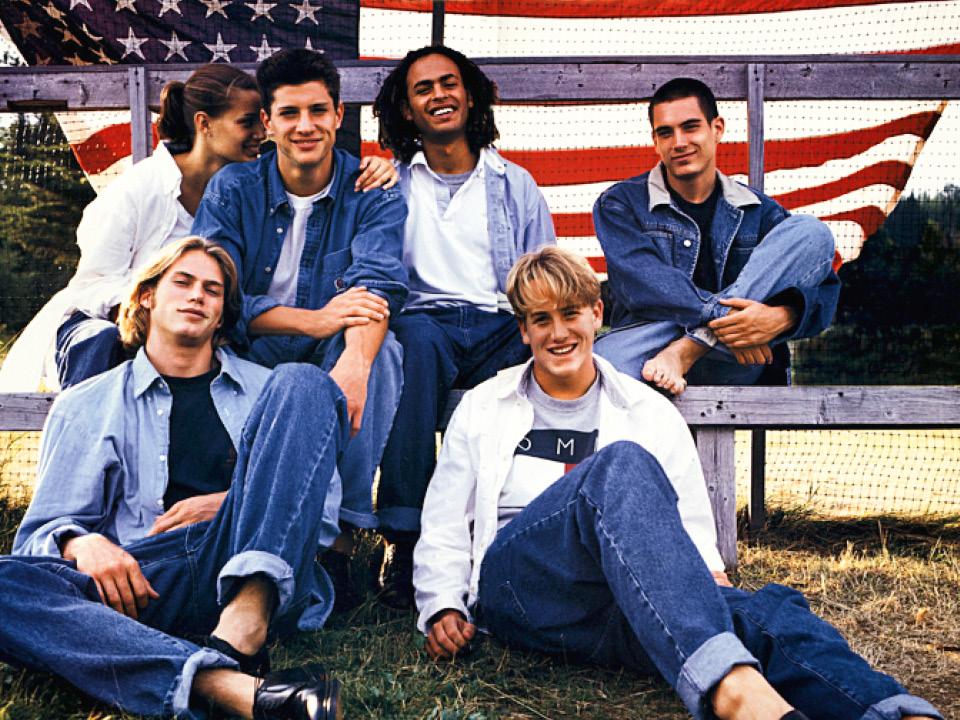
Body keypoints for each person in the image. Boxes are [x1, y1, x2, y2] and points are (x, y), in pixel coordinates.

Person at [413, 246, 941, 720]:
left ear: (597, 313)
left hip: (619, 598)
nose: (558, 333)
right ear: (524, 331)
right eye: (540, 319)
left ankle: (893, 710)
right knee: (619, 466)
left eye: (570, 313)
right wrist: (443, 604)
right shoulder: (485, 406)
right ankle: (733, 692)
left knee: (765, 612)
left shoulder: (647, 410)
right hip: (522, 589)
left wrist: (713, 589)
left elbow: (690, 528)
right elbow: (445, 520)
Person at [0, 237, 352, 719]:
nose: (197, 296)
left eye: (212, 290)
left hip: (256, 561)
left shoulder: (270, 390)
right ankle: (232, 686)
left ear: (223, 314)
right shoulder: (86, 404)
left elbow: (323, 512)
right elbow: (36, 540)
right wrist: (80, 543)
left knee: (305, 380)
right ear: (147, 296)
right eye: (182, 282)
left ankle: (245, 620)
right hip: (145, 579)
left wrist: (232, 504)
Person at [0, 63, 396, 393]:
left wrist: (380, 166)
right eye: (247, 123)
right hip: (107, 326)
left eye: (261, 122)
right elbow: (92, 286)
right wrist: (159, 307)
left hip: (195, 325)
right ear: (205, 124)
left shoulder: (244, 191)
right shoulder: (139, 189)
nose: (261, 134)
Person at [192, 49, 408, 595]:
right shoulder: (233, 188)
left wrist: (355, 362)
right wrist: (313, 320)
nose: (305, 126)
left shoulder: (371, 188)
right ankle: (234, 516)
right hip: (250, 344)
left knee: (383, 354)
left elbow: (377, 285)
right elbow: (220, 294)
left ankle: (340, 540)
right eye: (289, 113)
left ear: (339, 115)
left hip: (333, 344)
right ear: (268, 122)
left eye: (317, 111)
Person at [370, 44, 556, 607]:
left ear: (469, 95)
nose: (439, 95)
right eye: (422, 89)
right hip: (423, 321)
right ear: (407, 109)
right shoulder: (392, 182)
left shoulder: (514, 183)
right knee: (411, 352)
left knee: (521, 382)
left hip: (499, 321)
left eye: (448, 83)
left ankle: (503, 536)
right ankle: (405, 538)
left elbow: (543, 270)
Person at [593, 77, 840, 396]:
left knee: (813, 232)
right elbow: (644, 285)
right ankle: (702, 340)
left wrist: (781, 317)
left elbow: (823, 285)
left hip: (733, 360)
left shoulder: (761, 211)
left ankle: (690, 349)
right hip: (654, 350)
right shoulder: (620, 204)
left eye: (690, 127)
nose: (678, 142)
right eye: (665, 133)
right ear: (655, 141)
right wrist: (733, 319)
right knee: (603, 360)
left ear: (717, 128)